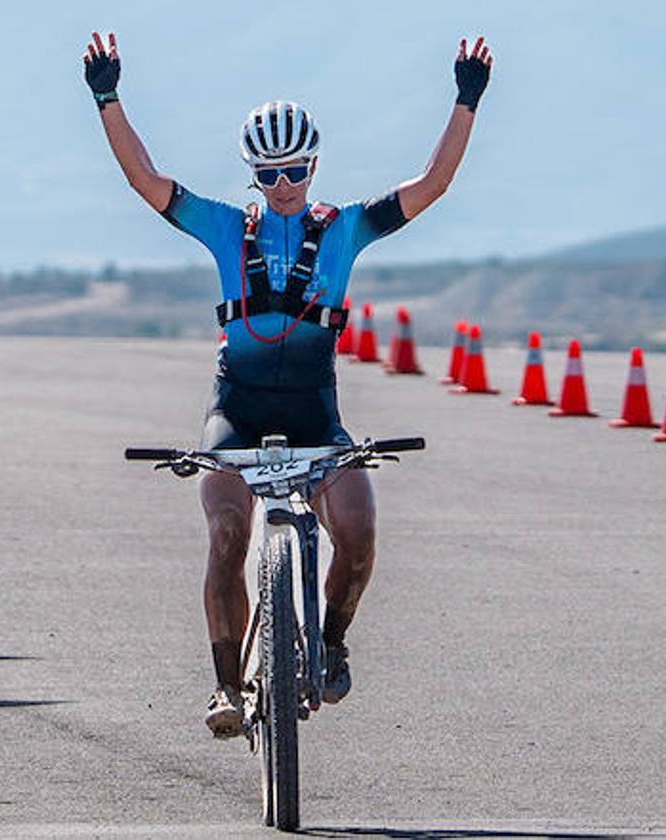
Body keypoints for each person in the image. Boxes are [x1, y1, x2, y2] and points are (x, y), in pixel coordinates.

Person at [83, 31, 492, 737]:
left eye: (295, 171)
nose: (283, 187)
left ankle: (330, 642)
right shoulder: (221, 227)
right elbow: (145, 181)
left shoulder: (345, 230)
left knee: (360, 535)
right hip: (234, 410)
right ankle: (225, 690)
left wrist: (466, 100)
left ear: (312, 165)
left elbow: (432, 188)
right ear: (252, 174)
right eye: (268, 175)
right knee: (228, 535)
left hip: (314, 411)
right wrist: (108, 97)